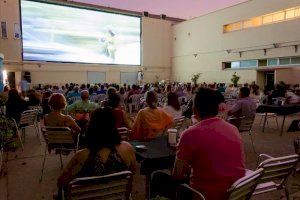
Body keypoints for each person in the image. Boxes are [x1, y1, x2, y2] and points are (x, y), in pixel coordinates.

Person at [151, 88, 245, 200]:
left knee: (158, 177)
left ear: (194, 110)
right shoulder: (233, 129)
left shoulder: (190, 134)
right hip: (236, 192)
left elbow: (177, 175)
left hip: (204, 195)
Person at [56, 107, 136, 198]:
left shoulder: (82, 156)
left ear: (91, 127)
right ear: (113, 126)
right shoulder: (127, 148)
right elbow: (132, 173)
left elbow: (61, 182)